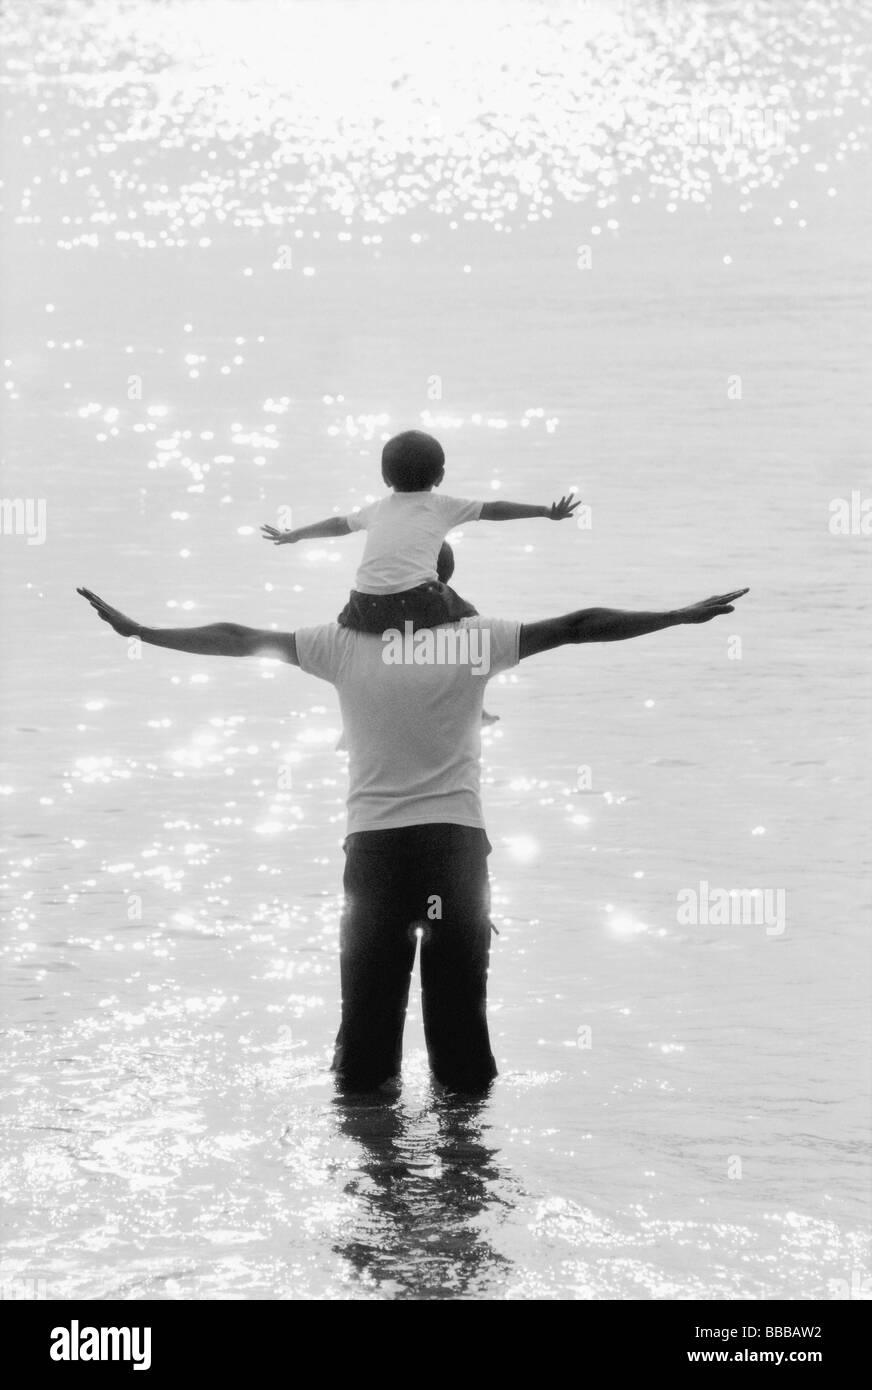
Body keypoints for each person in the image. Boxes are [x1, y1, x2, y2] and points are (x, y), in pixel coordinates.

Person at [77, 582, 749, 1094]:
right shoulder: (475, 641)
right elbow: (579, 626)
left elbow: (234, 636)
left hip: (376, 852)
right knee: (462, 1045)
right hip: (454, 851)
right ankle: (467, 1175)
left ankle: (376, 1180)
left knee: (366, 1042)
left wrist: (142, 630)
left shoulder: (337, 647)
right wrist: (678, 615)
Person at [260, 429, 580, 633]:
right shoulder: (442, 505)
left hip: (362, 608)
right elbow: (494, 509)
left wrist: (296, 534)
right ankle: (473, 688)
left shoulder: (375, 509)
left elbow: (337, 525)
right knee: (474, 626)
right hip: (417, 602)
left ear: (385, 478)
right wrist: (543, 512)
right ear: (439, 476)